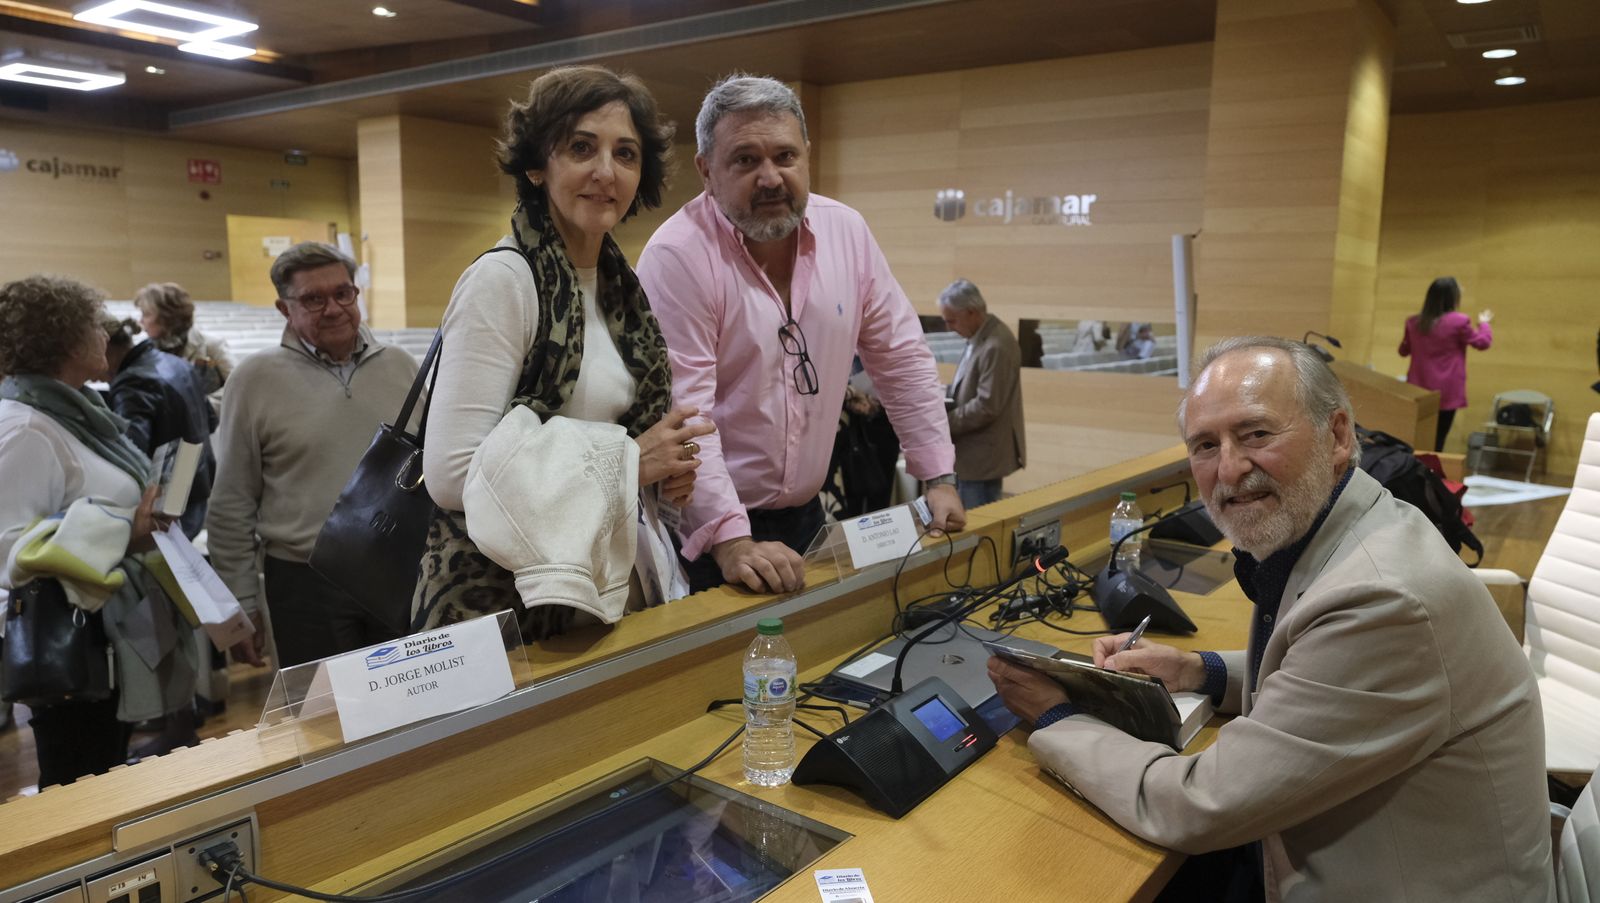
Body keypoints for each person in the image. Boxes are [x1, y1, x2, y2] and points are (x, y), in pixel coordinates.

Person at [988, 336, 1553, 903]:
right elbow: (1317, 669)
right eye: (1205, 445)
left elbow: (1196, 805)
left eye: (1256, 434)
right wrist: (1195, 670)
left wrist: (1055, 716)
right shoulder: (1358, 522)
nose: (1229, 469)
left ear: (1337, 435)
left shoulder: (1384, 600)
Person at [412, 66, 710, 641]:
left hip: (601, 589)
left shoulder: (619, 285)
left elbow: (617, 443)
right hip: (500, 606)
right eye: (581, 148)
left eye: (625, 154)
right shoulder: (504, 280)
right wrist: (628, 463)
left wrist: (658, 476)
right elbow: (450, 476)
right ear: (536, 164)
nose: (605, 172)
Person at [637, 74, 964, 595]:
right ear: (706, 170)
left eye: (785, 157)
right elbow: (686, 414)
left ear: (807, 156)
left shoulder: (847, 232)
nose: (770, 177)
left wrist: (939, 477)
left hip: (806, 517)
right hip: (702, 530)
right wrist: (730, 540)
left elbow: (900, 357)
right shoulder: (677, 255)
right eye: (745, 160)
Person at [0, 275, 198, 787]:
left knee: (103, 770)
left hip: (110, 632)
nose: (106, 331)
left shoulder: (75, 411)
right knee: (78, 781)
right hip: (70, 645)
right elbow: (11, 548)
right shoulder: (25, 428)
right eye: (94, 323)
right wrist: (125, 528)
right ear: (62, 338)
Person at [206, 242, 418, 668]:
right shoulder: (253, 380)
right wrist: (241, 602)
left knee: (415, 709)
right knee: (328, 721)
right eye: (313, 299)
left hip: (399, 570)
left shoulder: (402, 367)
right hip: (306, 584)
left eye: (343, 293)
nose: (334, 308)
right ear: (285, 310)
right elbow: (232, 502)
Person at [101, 316, 216, 538]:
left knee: (165, 564)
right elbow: (211, 420)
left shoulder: (133, 381)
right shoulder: (175, 362)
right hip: (198, 477)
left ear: (107, 347)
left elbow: (132, 452)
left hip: (167, 494)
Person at [938, 279, 1025, 508]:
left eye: (952, 320)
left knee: (978, 525)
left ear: (971, 312)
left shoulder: (996, 344)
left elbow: (987, 405)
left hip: (981, 458)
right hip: (972, 452)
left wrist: (944, 422)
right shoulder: (978, 337)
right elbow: (968, 385)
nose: (949, 328)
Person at [1399, 276, 1493, 451]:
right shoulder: (1459, 321)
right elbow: (1482, 343)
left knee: (1416, 439)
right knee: (1438, 441)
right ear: (1453, 297)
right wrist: (1484, 324)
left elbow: (1403, 351)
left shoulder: (1413, 322)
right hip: (1447, 391)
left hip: (1418, 389)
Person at [134, 282, 232, 413]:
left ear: (166, 317)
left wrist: (205, 407)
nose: (141, 321)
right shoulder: (144, 353)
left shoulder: (213, 345)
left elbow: (238, 385)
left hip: (211, 426)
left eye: (146, 314)